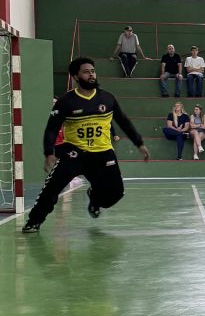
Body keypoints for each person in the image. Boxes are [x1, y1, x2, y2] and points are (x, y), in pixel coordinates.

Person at [22, 57, 150, 233]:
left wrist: (139, 143)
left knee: (116, 193)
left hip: (103, 153)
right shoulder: (66, 101)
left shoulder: (107, 98)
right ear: (76, 76)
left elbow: (124, 122)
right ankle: (34, 221)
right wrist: (49, 152)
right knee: (52, 188)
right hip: (74, 152)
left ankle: (94, 198)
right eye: (86, 72)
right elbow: (52, 128)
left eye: (93, 71)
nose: (91, 75)